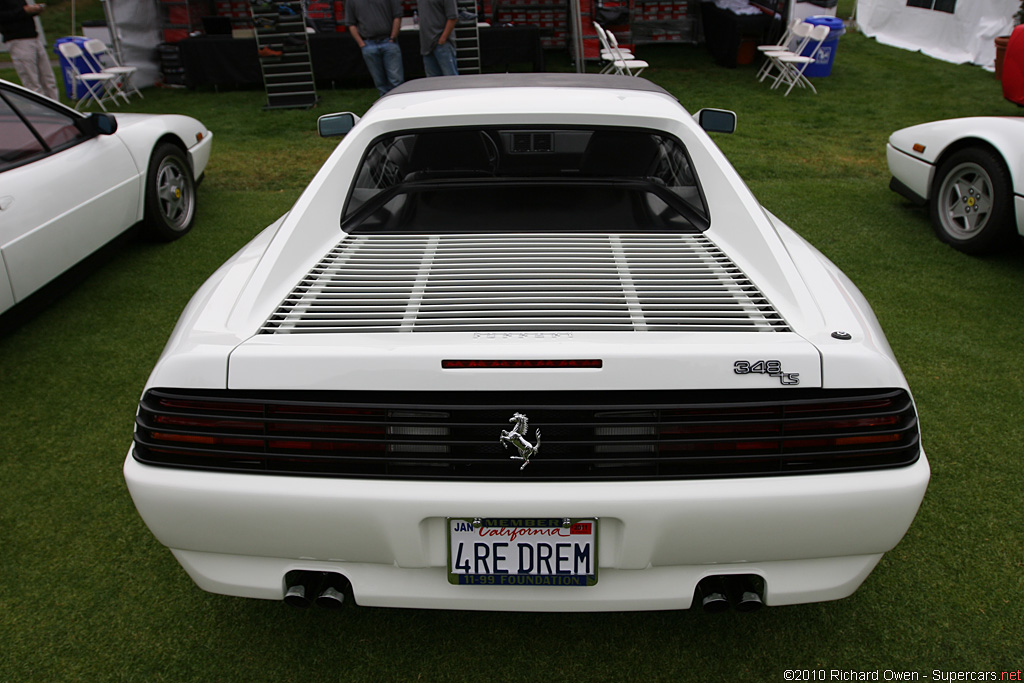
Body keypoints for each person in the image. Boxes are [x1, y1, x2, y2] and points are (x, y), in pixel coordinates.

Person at [0, 0, 59, 101]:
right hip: (17, 40)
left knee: (48, 79)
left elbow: (21, 13)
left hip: (34, 37)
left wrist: (34, 10)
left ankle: (58, 107)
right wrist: (24, 11)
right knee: (32, 82)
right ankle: (40, 111)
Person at [345, 0, 404, 97]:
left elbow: (397, 16)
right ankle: (384, 107)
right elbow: (351, 24)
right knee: (380, 82)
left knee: (396, 80)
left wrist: (393, 37)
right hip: (368, 44)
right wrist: (361, 44)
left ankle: (399, 105)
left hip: (388, 41)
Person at [416, 0, 457, 77]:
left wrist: (442, 39)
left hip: (442, 45)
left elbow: (453, 17)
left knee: (451, 81)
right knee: (432, 84)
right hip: (426, 46)